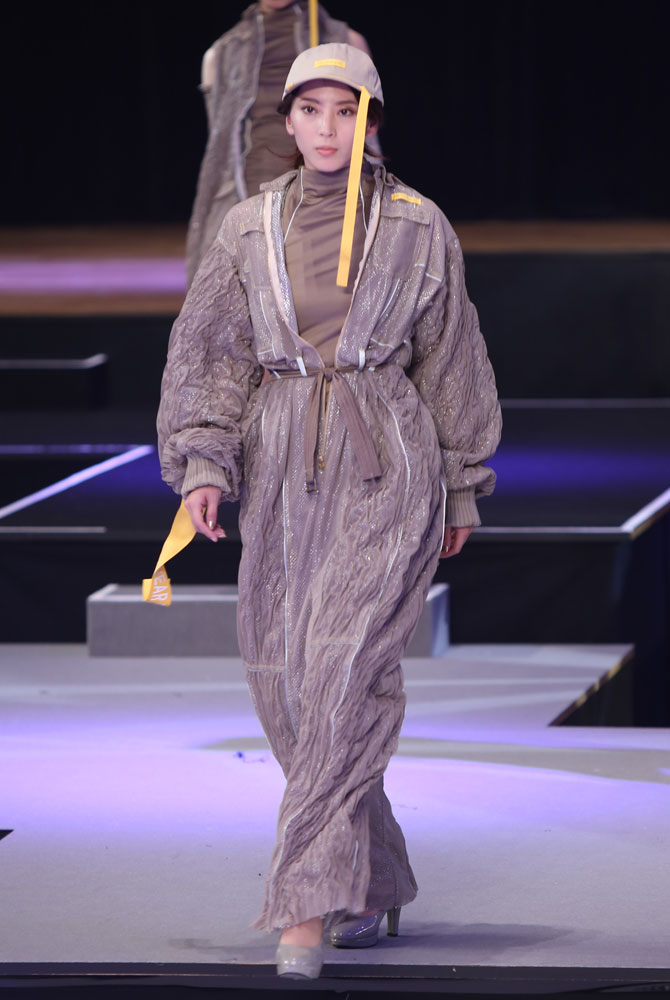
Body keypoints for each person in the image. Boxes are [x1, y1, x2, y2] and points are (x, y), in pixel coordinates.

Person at [158, 43, 501, 980]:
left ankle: (303, 910)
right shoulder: (246, 227)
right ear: (287, 121)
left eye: (345, 111)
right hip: (279, 462)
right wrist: (204, 462)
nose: (326, 129)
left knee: (342, 673)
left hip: (387, 458)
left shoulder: (418, 225)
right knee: (284, 682)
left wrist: (460, 482)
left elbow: (453, 358)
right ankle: (374, 875)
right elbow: (211, 353)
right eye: (309, 110)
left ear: (371, 120)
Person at [186, 0, 373, 285]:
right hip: (252, 205)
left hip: (330, 204)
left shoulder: (347, 45)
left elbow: (365, 141)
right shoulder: (221, 56)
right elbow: (221, 153)